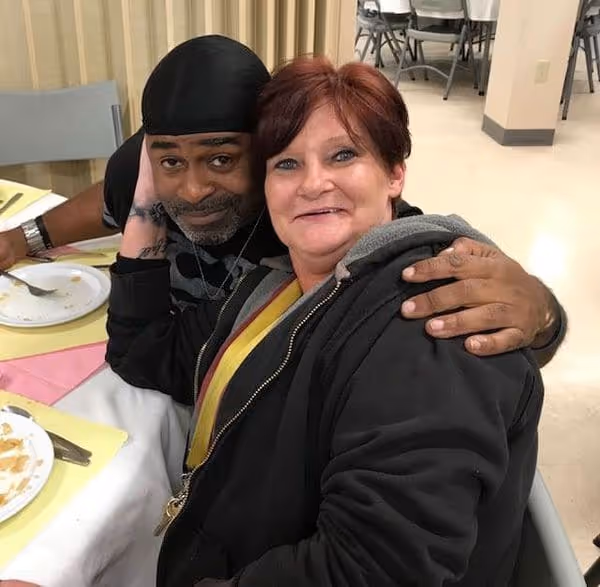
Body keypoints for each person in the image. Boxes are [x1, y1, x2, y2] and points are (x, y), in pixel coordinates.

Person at [106, 56, 543, 586]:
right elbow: (144, 350)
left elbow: (376, 570)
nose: (314, 183)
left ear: (395, 172)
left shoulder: (433, 318)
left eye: (343, 155)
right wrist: (147, 192)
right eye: (286, 164)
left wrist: (545, 316)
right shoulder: (281, 287)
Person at [0, 35, 565, 363]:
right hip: (180, 363)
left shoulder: (307, 225)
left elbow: (426, 271)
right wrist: (22, 238)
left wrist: (542, 313)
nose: (193, 189)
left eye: (222, 159)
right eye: (171, 160)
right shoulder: (147, 178)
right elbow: (105, 204)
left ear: (270, 151)